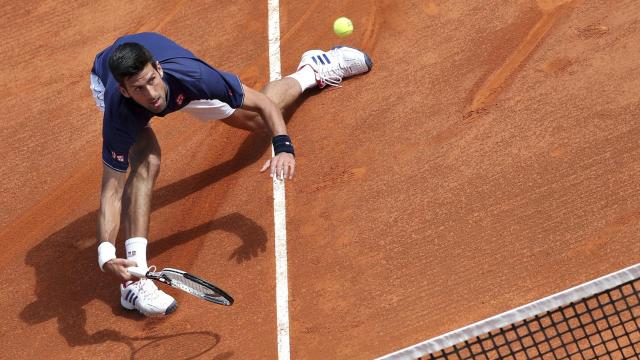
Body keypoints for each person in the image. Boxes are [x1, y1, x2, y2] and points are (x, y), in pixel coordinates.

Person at [90, 32, 372, 316]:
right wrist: (106, 256)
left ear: (159, 69)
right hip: (109, 79)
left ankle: (312, 69)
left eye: (152, 81)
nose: (150, 94)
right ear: (125, 91)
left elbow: (262, 103)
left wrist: (283, 146)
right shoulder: (120, 109)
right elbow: (111, 190)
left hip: (179, 86)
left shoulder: (195, 77)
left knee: (256, 121)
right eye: (139, 88)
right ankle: (134, 280)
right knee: (147, 159)